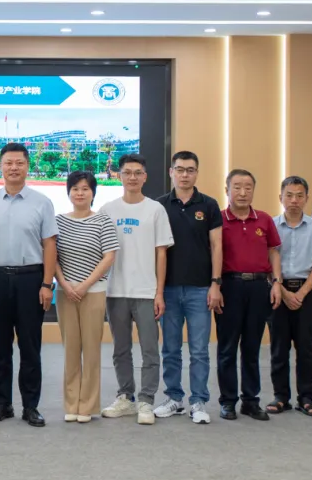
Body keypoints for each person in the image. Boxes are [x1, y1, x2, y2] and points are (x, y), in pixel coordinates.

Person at [0, 142, 58, 428]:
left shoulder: (42, 202)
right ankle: (3, 404)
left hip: (31, 280)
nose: (13, 168)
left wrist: (47, 284)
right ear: (0, 166)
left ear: (28, 166)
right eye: (8, 163)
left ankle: (30, 406)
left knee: (30, 346)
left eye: (19, 163)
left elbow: (50, 245)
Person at [99, 154, 174, 426]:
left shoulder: (155, 210)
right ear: (119, 176)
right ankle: (126, 397)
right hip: (115, 291)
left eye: (137, 172)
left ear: (145, 177)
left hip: (146, 291)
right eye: (127, 172)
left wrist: (159, 292)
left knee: (150, 350)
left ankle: (146, 400)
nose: (132, 177)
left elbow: (161, 254)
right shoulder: (107, 210)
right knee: (120, 349)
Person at [154, 151, 223, 425]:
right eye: (180, 169)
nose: (185, 174)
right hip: (168, 290)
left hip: (200, 289)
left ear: (197, 173)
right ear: (171, 172)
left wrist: (215, 284)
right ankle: (174, 398)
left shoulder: (209, 204)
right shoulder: (159, 205)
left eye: (190, 170)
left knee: (199, 350)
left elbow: (217, 246)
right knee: (170, 349)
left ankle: (199, 401)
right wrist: (157, 291)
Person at [216, 169, 282, 422]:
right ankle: (228, 401)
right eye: (237, 187)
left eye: (248, 187)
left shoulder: (264, 219)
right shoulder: (218, 219)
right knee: (227, 347)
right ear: (227, 190)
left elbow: (274, 251)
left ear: (254, 190)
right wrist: (214, 285)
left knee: (252, 347)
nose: (242, 192)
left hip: (258, 287)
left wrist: (276, 282)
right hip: (229, 287)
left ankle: (251, 401)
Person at [54, 171, 118, 424]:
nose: (80, 193)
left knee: (91, 351)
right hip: (65, 293)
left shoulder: (103, 221)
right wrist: (65, 284)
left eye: (85, 189)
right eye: (75, 189)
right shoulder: (58, 222)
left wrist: (84, 286)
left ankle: (88, 406)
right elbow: (52, 257)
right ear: (68, 192)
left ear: (93, 193)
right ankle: (71, 404)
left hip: (93, 292)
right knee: (70, 350)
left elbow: (109, 257)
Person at [267, 176, 312, 417]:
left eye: (299, 196)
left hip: (307, 292)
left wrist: (302, 293)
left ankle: (306, 398)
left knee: (306, 347)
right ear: (280, 197)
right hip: (277, 291)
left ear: (307, 198)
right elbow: (266, 262)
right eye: (289, 195)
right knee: (279, 347)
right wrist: (284, 292)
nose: (294, 200)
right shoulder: (270, 225)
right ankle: (281, 397)